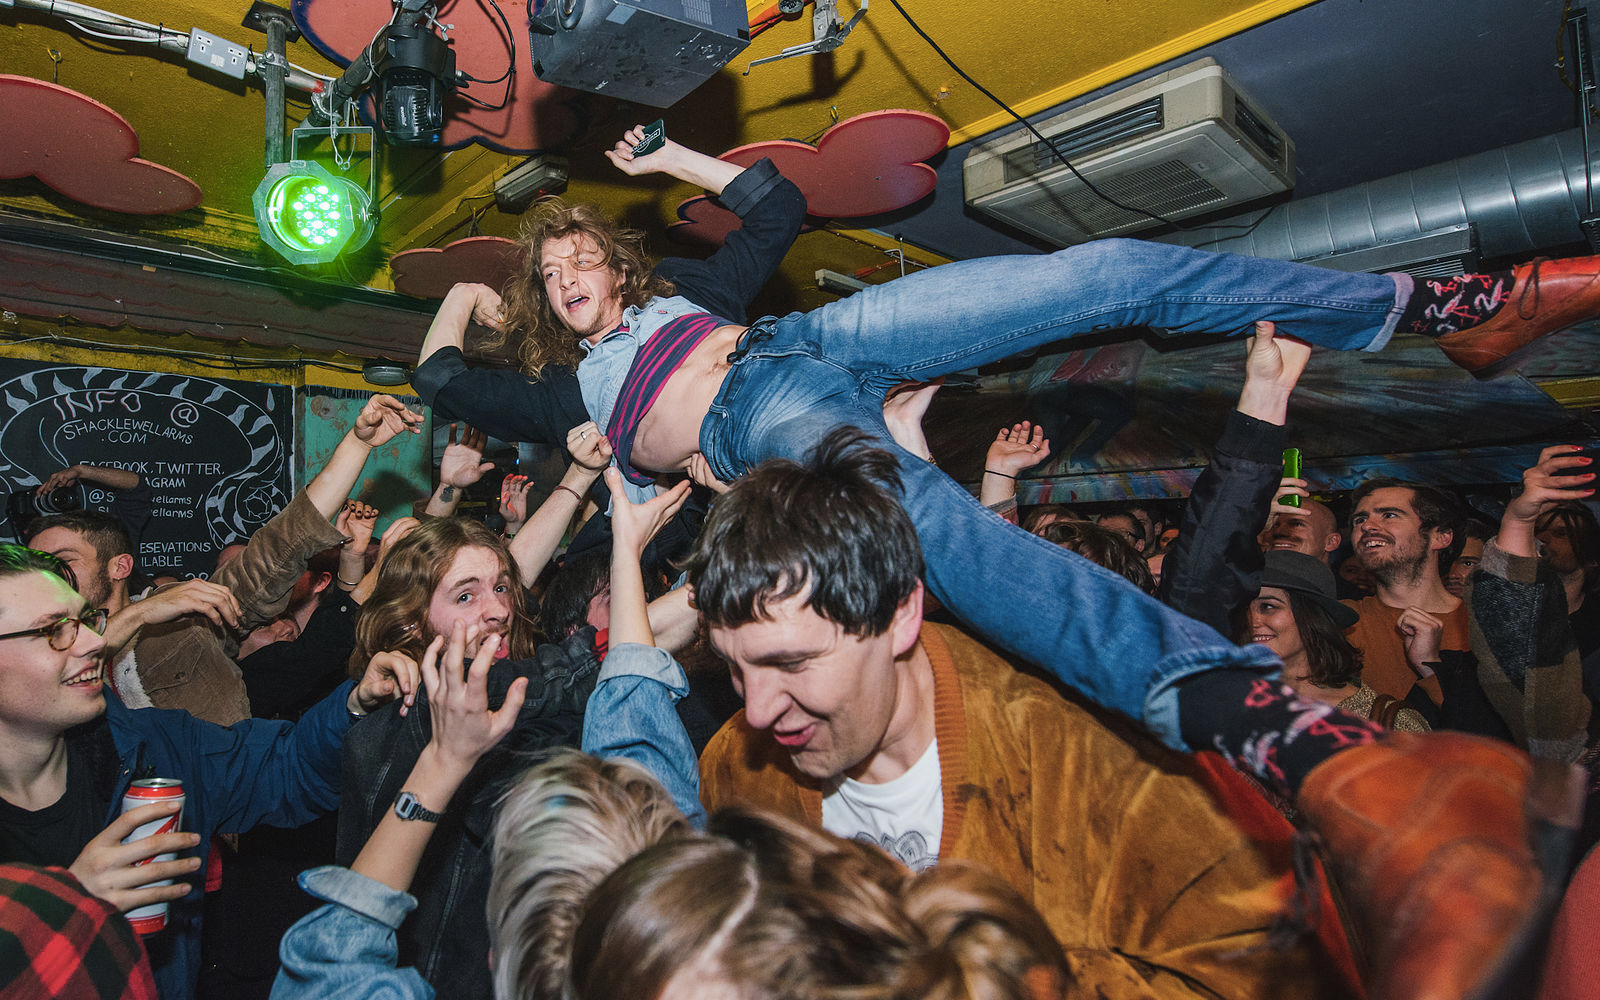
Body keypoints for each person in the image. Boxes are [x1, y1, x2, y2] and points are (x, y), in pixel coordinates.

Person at [0, 545, 406, 999]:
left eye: (85, 621)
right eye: (54, 631)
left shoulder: (151, 746)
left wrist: (355, 705)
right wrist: (64, 910)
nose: (96, 642)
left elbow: (286, 769)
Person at [27, 395, 423, 726]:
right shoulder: (36, 650)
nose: (49, 573)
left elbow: (284, 541)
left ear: (120, 567)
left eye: (63, 559)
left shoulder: (182, 621)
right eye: (39, 561)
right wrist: (137, 614)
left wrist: (357, 443)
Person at [1245, 551, 1429, 731]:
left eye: (1268, 606)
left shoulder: (1389, 722)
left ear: (1313, 616)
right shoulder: (1234, 705)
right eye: (1242, 608)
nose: (1251, 620)